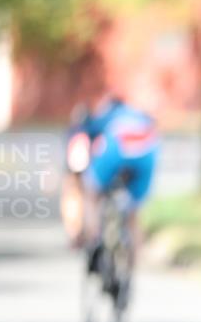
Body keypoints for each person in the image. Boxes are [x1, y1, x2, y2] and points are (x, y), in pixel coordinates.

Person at [62, 93, 159, 268]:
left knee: (91, 194)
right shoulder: (138, 114)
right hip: (147, 150)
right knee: (134, 213)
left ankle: (94, 240)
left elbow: (87, 134)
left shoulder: (105, 115)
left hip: (116, 147)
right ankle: (133, 265)